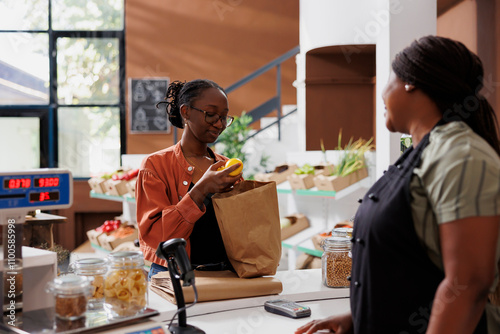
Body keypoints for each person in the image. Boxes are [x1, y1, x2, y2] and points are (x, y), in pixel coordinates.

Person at [296, 35, 500, 333]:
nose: (381, 93)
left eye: (387, 77)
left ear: (410, 82)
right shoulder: (422, 153)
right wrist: (359, 319)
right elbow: (408, 270)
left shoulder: (461, 156)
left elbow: (468, 284)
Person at [135, 79, 242, 281]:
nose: (219, 124)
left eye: (224, 117)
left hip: (226, 275)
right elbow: (159, 239)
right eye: (211, 115)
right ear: (186, 112)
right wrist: (200, 191)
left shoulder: (228, 167)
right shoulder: (154, 166)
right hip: (174, 277)